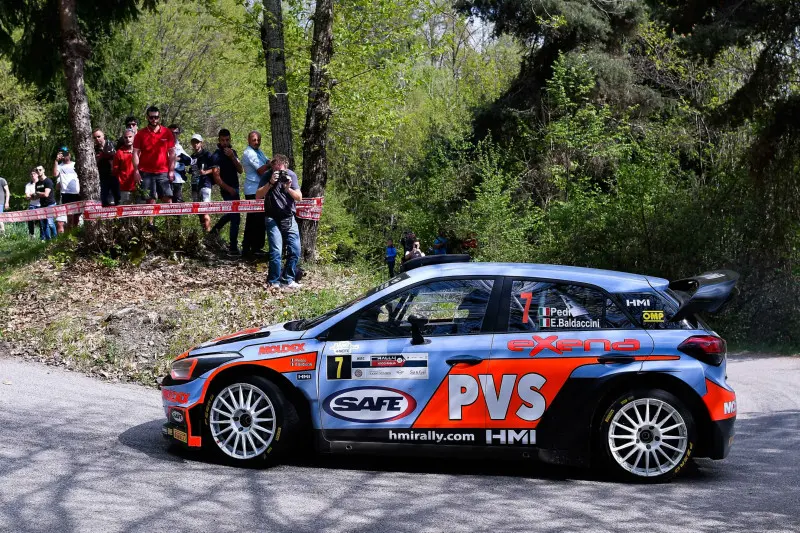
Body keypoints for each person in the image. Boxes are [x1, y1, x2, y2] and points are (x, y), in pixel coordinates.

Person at [256, 154, 302, 289]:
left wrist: (288, 188)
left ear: (285, 167)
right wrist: (270, 183)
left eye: (280, 169)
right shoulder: (267, 175)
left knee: (295, 249)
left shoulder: (291, 175)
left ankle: (288, 279)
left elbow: (299, 197)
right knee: (276, 250)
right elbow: (258, 195)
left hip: (288, 216)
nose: (278, 172)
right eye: (275, 168)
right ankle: (273, 280)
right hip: (272, 217)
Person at [132, 106, 176, 213]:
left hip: (163, 172)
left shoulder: (167, 132)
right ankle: (150, 225)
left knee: (167, 198)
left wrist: (171, 171)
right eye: (151, 117)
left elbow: (172, 153)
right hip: (146, 172)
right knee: (150, 200)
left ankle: (170, 224)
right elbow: (135, 153)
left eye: (156, 117)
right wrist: (136, 171)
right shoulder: (140, 134)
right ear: (147, 117)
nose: (154, 120)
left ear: (159, 117)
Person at [209, 128, 243, 256]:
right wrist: (229, 189)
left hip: (236, 187)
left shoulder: (233, 152)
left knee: (232, 214)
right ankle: (233, 247)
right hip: (227, 189)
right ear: (219, 140)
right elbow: (216, 178)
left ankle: (213, 232)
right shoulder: (216, 156)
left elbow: (240, 170)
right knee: (235, 216)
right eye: (222, 140)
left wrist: (233, 157)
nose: (225, 142)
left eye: (227, 140)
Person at [241, 131, 270, 257]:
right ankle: (251, 248)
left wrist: (270, 163)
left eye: (258, 139)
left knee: (257, 220)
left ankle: (252, 247)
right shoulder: (249, 153)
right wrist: (270, 165)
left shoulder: (259, 151)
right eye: (254, 140)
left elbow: (267, 161)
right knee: (255, 220)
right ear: (249, 140)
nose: (256, 142)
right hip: (253, 190)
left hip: (260, 189)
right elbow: (260, 170)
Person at [189, 134, 215, 232]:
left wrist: (205, 172)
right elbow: (191, 171)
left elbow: (215, 168)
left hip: (205, 184)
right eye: (193, 142)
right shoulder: (191, 157)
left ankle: (208, 234)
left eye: (197, 142)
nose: (195, 144)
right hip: (195, 186)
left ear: (201, 143)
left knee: (205, 210)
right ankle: (204, 234)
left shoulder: (207, 154)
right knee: (198, 212)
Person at [52, 146, 81, 230]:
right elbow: (54, 174)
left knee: (76, 216)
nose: (65, 156)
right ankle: (69, 234)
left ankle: (75, 233)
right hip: (66, 193)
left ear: (70, 154)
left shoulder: (75, 164)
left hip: (77, 192)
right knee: (69, 216)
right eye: (63, 154)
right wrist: (56, 161)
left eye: (66, 154)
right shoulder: (60, 166)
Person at [93, 129, 119, 207]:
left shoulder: (113, 145)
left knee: (117, 198)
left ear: (103, 135)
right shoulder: (93, 149)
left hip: (115, 176)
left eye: (98, 136)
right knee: (104, 199)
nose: (97, 139)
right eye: (95, 138)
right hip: (102, 177)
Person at [168, 124, 191, 203]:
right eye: (171, 132)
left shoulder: (179, 146)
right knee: (167, 201)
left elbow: (189, 160)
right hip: (165, 178)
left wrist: (178, 158)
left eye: (176, 133)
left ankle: (178, 215)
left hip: (177, 179)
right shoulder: (163, 145)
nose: (174, 135)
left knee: (178, 202)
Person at [113, 129, 137, 204]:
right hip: (124, 188)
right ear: (123, 138)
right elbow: (115, 171)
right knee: (125, 212)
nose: (128, 139)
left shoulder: (140, 151)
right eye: (126, 137)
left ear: (134, 137)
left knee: (140, 212)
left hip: (139, 187)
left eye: (130, 137)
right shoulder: (119, 153)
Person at [35, 168, 56, 240]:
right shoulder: (37, 183)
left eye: (40, 169)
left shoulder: (48, 181)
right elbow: (37, 196)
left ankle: (55, 239)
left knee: (50, 223)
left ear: (44, 170)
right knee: (44, 224)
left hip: (50, 204)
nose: (38, 171)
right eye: (37, 170)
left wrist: (38, 193)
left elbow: (46, 194)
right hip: (42, 205)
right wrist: (31, 196)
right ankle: (48, 241)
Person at [25, 168, 41, 238]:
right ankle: (31, 235)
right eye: (31, 174)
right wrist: (35, 195)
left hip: (41, 205)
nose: (32, 175)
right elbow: (27, 197)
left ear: (37, 175)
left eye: (34, 174)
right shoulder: (28, 185)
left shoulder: (41, 183)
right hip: (32, 205)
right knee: (30, 219)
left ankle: (42, 237)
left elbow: (43, 195)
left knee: (41, 221)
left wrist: (34, 195)